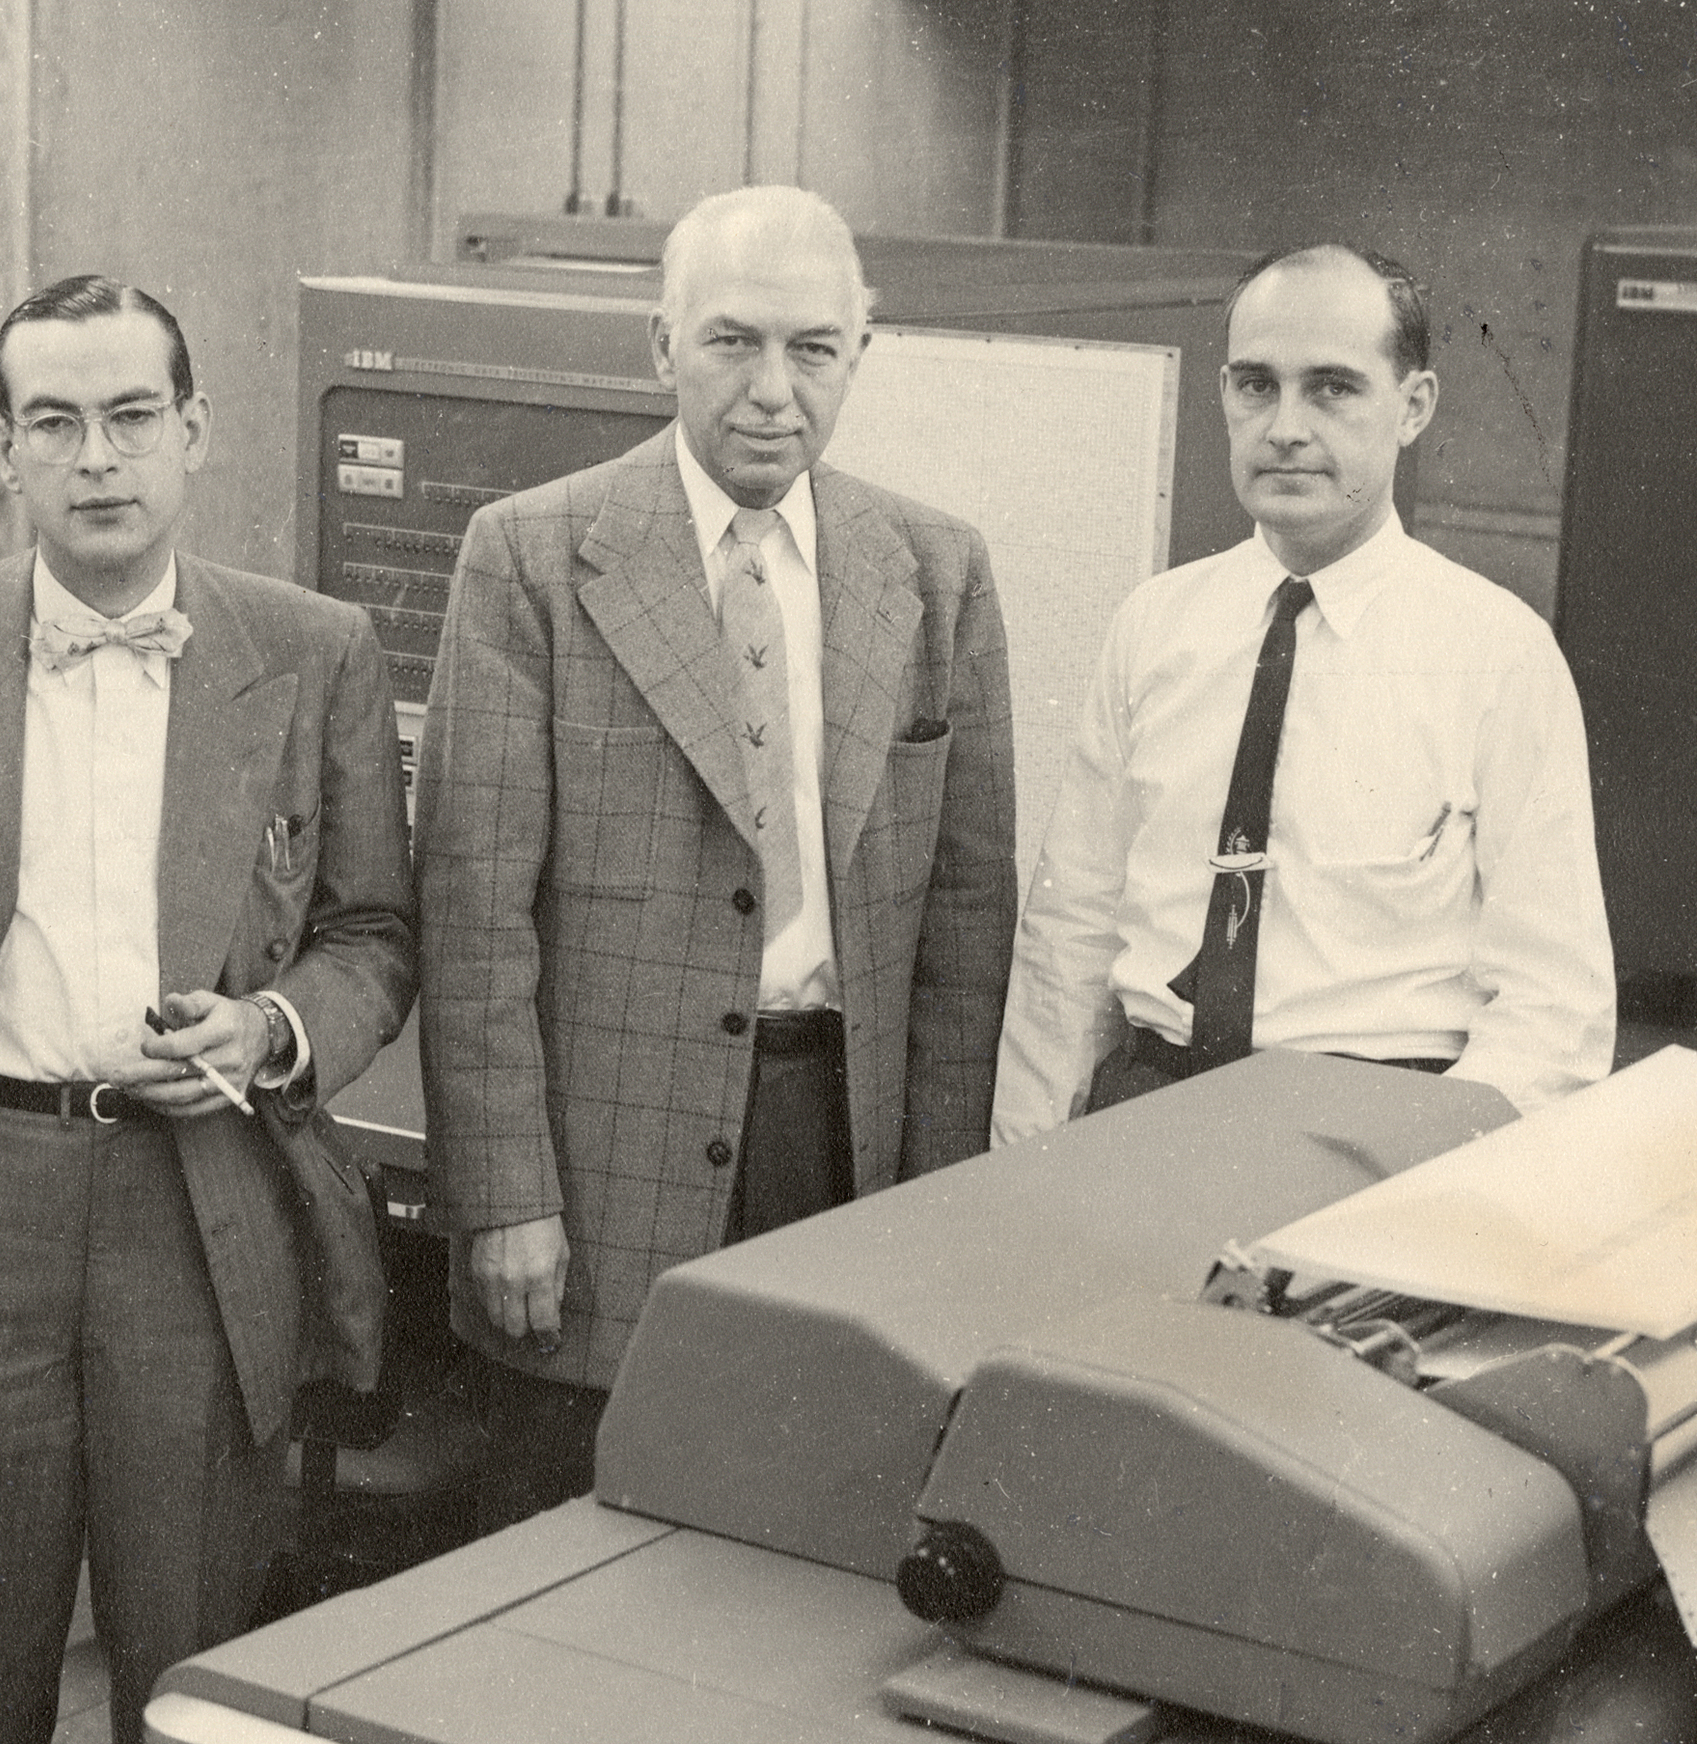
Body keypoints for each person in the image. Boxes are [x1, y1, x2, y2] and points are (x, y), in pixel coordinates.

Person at [0, 273, 417, 1744]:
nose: (96, 457)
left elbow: (371, 933)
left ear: (195, 428)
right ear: (4, 450)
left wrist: (273, 1032)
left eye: (128, 418)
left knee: (190, 1673)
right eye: (55, 423)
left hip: (201, 1204)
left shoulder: (314, 651)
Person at [415, 184, 1018, 1528]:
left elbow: (969, 927)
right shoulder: (529, 558)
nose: (771, 392)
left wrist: (937, 1207)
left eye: (813, 351)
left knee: (810, 1556)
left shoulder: (937, 571)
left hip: (837, 1147)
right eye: (731, 342)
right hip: (601, 1167)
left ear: (862, 356)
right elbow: (472, 917)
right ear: (659, 346)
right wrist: (508, 1197)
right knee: (575, 1559)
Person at [991, 244, 1612, 1142]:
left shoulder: (1498, 653)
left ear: (1414, 407)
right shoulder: (1155, 627)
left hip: (1376, 1128)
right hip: (1144, 1110)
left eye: (1331, 388)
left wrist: (1409, 1171)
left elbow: (1557, 1004)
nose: (1285, 426)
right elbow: (1070, 936)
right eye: (1256, 385)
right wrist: (1024, 1171)